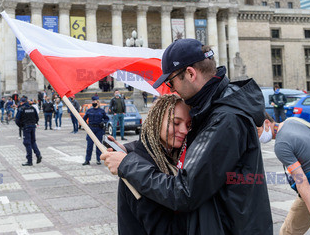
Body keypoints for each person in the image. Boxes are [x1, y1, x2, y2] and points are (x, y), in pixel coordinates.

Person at [101, 39, 272, 234]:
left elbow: (184, 192)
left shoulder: (225, 119)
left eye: (171, 81)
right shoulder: (212, 110)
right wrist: (134, 150)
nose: (172, 90)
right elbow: (194, 149)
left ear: (190, 73)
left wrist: (128, 164)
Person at [107, 94, 190, 235]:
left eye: (188, 125)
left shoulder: (168, 155)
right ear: (156, 122)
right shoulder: (139, 168)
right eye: (176, 123)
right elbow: (163, 229)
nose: (184, 130)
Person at [82, 97, 109, 166]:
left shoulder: (101, 110)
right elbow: (83, 119)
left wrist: (103, 122)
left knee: (98, 145)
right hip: (91, 129)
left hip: (99, 129)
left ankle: (98, 159)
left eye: (95, 101)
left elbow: (106, 118)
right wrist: (86, 126)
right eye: (93, 101)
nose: (93, 102)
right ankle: (87, 160)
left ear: (98, 102)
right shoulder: (89, 110)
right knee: (89, 146)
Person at [16, 97, 42, 165]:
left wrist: (21, 126)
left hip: (26, 127)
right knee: (33, 142)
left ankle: (29, 161)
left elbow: (17, 120)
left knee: (27, 143)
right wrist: (34, 123)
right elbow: (37, 118)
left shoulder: (21, 109)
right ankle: (38, 155)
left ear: (22, 102)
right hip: (33, 127)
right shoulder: (32, 108)